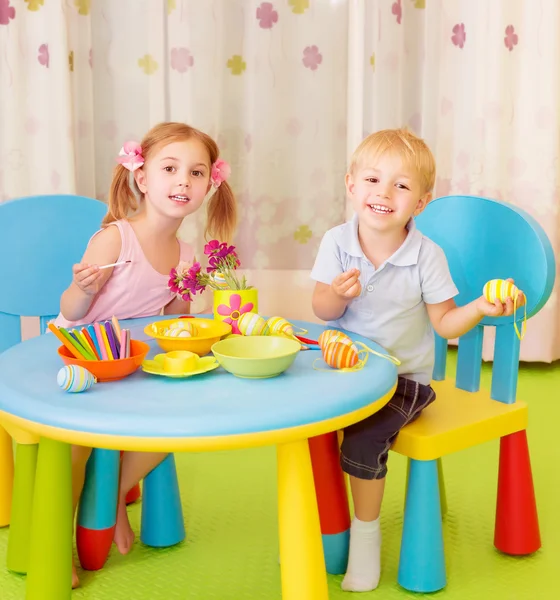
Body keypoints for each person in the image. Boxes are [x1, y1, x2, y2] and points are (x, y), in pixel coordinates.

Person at [310, 128, 523, 592]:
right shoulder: (337, 241)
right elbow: (321, 310)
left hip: (402, 379)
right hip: (343, 370)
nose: (383, 193)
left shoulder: (427, 255)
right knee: (301, 416)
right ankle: (328, 528)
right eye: (372, 180)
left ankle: (364, 539)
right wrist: (334, 295)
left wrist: (480, 308)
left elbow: (444, 323)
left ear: (421, 203)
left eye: (401, 186)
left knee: (363, 439)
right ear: (351, 185)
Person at [55, 121, 236, 587]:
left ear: (209, 185)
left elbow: (172, 323)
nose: (183, 181)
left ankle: (112, 493)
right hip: (84, 360)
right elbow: (70, 311)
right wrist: (80, 287)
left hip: (133, 362)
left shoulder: (187, 251)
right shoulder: (116, 238)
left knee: (180, 413)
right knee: (74, 445)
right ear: (142, 178)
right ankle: (58, 548)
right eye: (170, 168)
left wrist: (196, 300)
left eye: (197, 173)